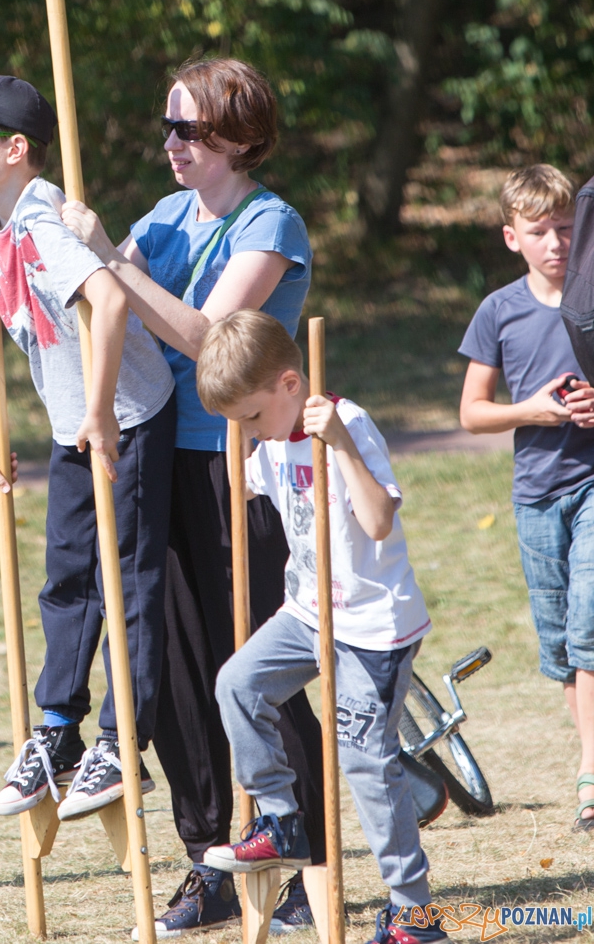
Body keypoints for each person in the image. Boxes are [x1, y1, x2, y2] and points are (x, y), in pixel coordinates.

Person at [55, 57, 324, 936]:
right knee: (169, 673)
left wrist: (106, 259)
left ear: (239, 138)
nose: (170, 144)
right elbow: (100, 302)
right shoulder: (162, 217)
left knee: (254, 667)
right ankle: (209, 854)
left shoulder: (269, 223)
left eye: (190, 130)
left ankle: (300, 858)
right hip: (157, 455)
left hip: (241, 462)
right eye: (166, 126)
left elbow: (209, 336)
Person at [0, 75, 177, 822]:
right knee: (66, 580)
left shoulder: (42, 217)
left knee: (127, 581)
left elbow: (113, 298)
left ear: (16, 149)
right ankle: (58, 730)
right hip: (70, 422)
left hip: (125, 414)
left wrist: (100, 413)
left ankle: (122, 743)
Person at [199, 310, 443, 944]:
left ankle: (413, 913)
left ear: (288, 385)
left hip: (370, 627)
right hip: (308, 614)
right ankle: (280, 820)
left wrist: (337, 442)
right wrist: (238, 441)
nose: (249, 430)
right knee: (237, 686)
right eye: (239, 422)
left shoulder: (346, 423)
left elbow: (379, 520)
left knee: (365, 763)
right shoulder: (270, 440)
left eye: (252, 415)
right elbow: (241, 485)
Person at [458, 164, 594, 829]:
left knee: (591, 623)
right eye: (540, 231)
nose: (557, 242)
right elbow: (472, 413)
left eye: (567, 228)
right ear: (513, 237)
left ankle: (591, 780)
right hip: (537, 495)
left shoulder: (593, 300)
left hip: (593, 482)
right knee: (565, 647)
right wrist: (533, 411)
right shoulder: (499, 311)